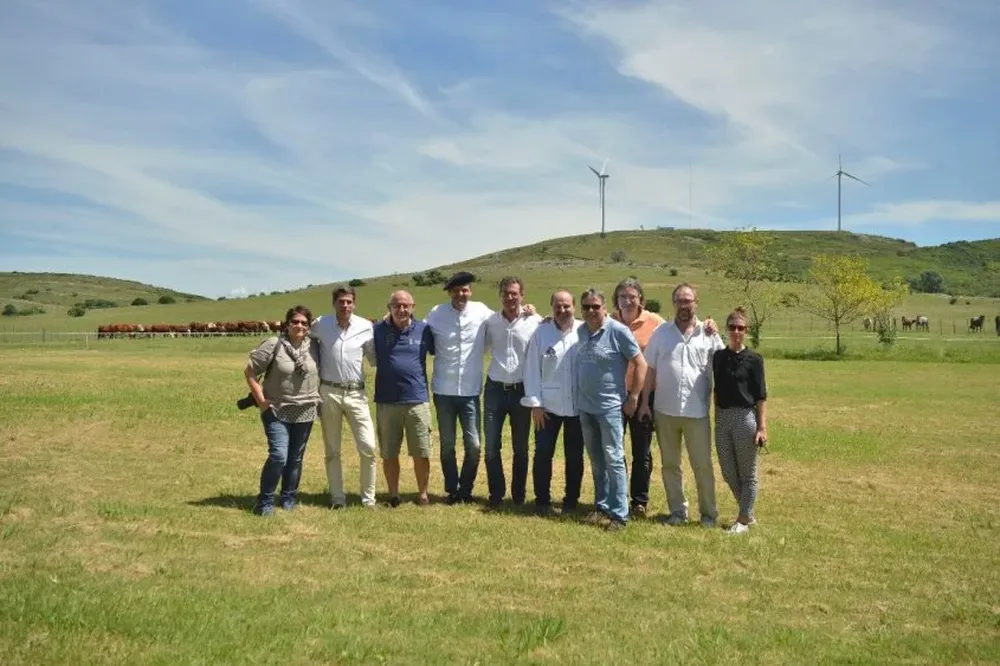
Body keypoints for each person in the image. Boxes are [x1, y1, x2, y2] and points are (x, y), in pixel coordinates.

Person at [424, 271, 537, 505]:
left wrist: (531, 309)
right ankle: (455, 490)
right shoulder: (437, 313)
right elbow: (417, 328)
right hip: (444, 389)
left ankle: (473, 489)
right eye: (456, 290)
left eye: (465, 289)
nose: (461, 294)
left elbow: (532, 322)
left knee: (476, 445)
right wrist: (388, 317)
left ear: (471, 291)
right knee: (448, 444)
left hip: (474, 390)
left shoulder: (483, 313)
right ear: (449, 292)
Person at [639, 283, 724, 528]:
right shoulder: (661, 333)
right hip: (664, 411)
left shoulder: (709, 333)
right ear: (673, 303)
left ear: (696, 303)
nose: (684, 305)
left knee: (703, 465)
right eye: (679, 301)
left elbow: (722, 366)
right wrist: (644, 403)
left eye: (688, 301)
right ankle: (678, 512)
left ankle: (708, 514)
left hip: (697, 412)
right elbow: (649, 369)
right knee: (670, 465)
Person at [574, 288, 647, 531]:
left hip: (610, 408)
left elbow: (640, 364)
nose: (591, 311)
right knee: (596, 460)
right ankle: (602, 505)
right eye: (586, 307)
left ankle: (620, 514)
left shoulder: (618, 331)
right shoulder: (581, 331)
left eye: (596, 306)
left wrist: (633, 397)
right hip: (586, 408)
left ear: (605, 308)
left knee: (614, 459)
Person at [243, 306, 321, 516]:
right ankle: (265, 502)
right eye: (295, 321)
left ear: (309, 326)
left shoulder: (315, 346)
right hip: (277, 409)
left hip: (306, 409)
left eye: (304, 323)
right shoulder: (273, 344)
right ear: (287, 324)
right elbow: (250, 372)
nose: (299, 326)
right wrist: (261, 401)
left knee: (295, 458)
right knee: (279, 456)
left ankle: (288, 497)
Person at [310, 285, 378, 509]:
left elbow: (374, 358)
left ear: (354, 304)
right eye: (341, 301)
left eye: (349, 302)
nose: (345, 305)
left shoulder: (365, 326)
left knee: (368, 447)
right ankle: (337, 499)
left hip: (356, 393)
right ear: (334, 303)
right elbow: (304, 338)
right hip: (329, 392)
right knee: (332, 450)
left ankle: (368, 500)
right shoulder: (321, 324)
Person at [366, 290, 436, 507]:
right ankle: (394, 494)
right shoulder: (377, 330)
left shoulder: (424, 329)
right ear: (389, 308)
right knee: (389, 452)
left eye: (406, 305)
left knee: (421, 451)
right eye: (396, 305)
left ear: (413, 307)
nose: (402, 309)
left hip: (417, 400)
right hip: (387, 401)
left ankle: (423, 494)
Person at [522, 289, 585, 514]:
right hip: (547, 407)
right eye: (557, 306)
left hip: (578, 406)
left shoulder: (584, 331)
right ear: (552, 308)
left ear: (574, 307)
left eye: (566, 306)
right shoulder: (541, 333)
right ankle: (542, 501)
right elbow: (531, 370)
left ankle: (571, 502)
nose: (562, 310)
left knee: (575, 456)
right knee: (543, 454)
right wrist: (536, 404)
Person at [482, 276, 543, 506]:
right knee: (491, 446)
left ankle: (518, 496)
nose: (510, 298)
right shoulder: (490, 321)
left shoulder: (534, 321)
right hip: (495, 389)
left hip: (521, 391)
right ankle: (496, 495)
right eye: (506, 293)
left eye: (514, 293)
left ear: (522, 295)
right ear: (500, 295)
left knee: (521, 447)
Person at [610, 277, 665, 517]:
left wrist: (708, 325)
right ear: (616, 299)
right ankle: (619, 497)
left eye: (632, 296)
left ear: (640, 299)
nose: (628, 301)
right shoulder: (608, 321)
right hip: (614, 396)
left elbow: (678, 332)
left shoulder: (656, 323)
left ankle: (639, 501)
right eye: (623, 296)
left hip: (645, 396)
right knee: (615, 450)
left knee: (641, 451)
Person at [712, 307, 768, 534]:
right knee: (728, 472)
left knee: (748, 473)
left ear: (746, 331)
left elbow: (761, 396)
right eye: (732, 327)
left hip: (745, 417)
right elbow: (716, 390)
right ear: (727, 330)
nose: (736, 332)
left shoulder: (754, 360)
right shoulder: (718, 357)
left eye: (741, 328)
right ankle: (748, 513)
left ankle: (743, 519)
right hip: (722, 417)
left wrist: (762, 427)